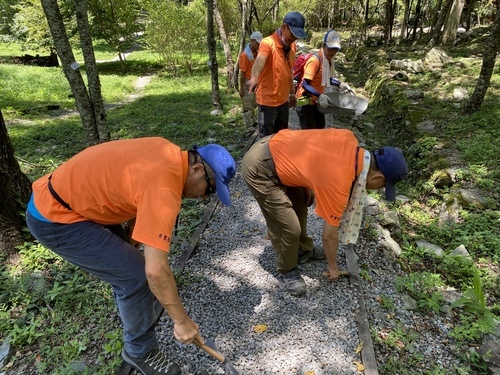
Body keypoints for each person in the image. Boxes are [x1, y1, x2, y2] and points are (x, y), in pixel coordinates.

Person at [25, 137, 237, 375]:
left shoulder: (166, 151)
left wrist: (133, 237)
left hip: (73, 197)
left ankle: (141, 307)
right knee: (137, 277)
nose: (204, 198)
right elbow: (155, 271)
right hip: (56, 217)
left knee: (134, 271)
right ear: (197, 169)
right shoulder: (163, 190)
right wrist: (182, 322)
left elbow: (135, 187)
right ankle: (139, 351)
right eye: (209, 189)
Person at [241, 129, 407, 297]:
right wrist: (333, 266)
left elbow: (314, 153)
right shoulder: (340, 181)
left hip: (278, 147)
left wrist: (308, 183)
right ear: (377, 178)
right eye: (383, 186)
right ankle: (287, 269)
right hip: (260, 167)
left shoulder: (349, 139)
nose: (379, 189)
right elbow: (329, 235)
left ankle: (302, 250)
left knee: (302, 203)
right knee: (289, 228)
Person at [246, 11, 307, 138]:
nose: (294, 39)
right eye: (293, 35)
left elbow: (289, 72)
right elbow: (260, 60)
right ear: (284, 27)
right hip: (267, 102)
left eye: (297, 37)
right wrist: (254, 77)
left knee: (282, 136)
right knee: (266, 140)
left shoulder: (292, 47)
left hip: (283, 101)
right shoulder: (268, 43)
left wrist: (292, 93)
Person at [295, 30, 353, 129]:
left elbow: (326, 79)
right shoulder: (315, 61)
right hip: (306, 102)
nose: (332, 52)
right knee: (309, 133)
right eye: (330, 48)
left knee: (320, 127)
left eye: (335, 49)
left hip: (316, 101)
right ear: (324, 45)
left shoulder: (328, 61)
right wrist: (320, 95)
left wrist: (340, 84)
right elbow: (305, 84)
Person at [239, 31, 263, 127]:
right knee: (248, 104)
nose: (258, 45)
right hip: (247, 81)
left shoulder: (257, 52)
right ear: (252, 41)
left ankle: (253, 122)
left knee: (254, 103)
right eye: (257, 43)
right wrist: (241, 88)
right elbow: (242, 73)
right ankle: (248, 125)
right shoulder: (245, 55)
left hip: (255, 80)